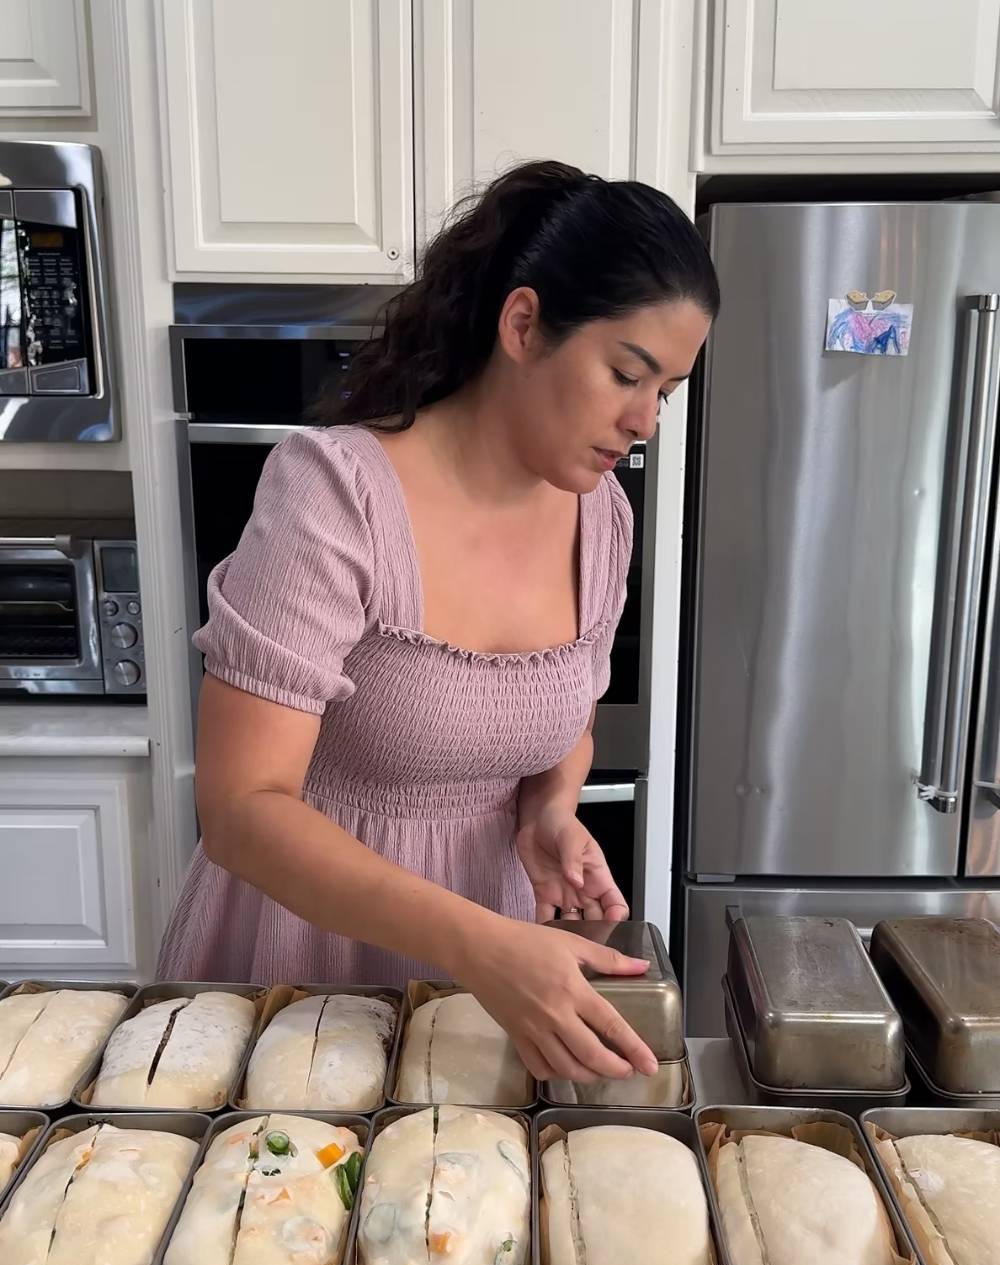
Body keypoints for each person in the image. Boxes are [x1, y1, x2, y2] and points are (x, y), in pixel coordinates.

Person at [157, 159, 718, 1084]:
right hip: (301, 956)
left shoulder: (604, 518)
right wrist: (479, 945)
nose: (646, 420)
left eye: (667, 391)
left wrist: (549, 810)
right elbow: (241, 810)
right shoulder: (336, 494)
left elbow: (567, 719)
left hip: (493, 961)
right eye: (628, 373)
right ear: (525, 325)